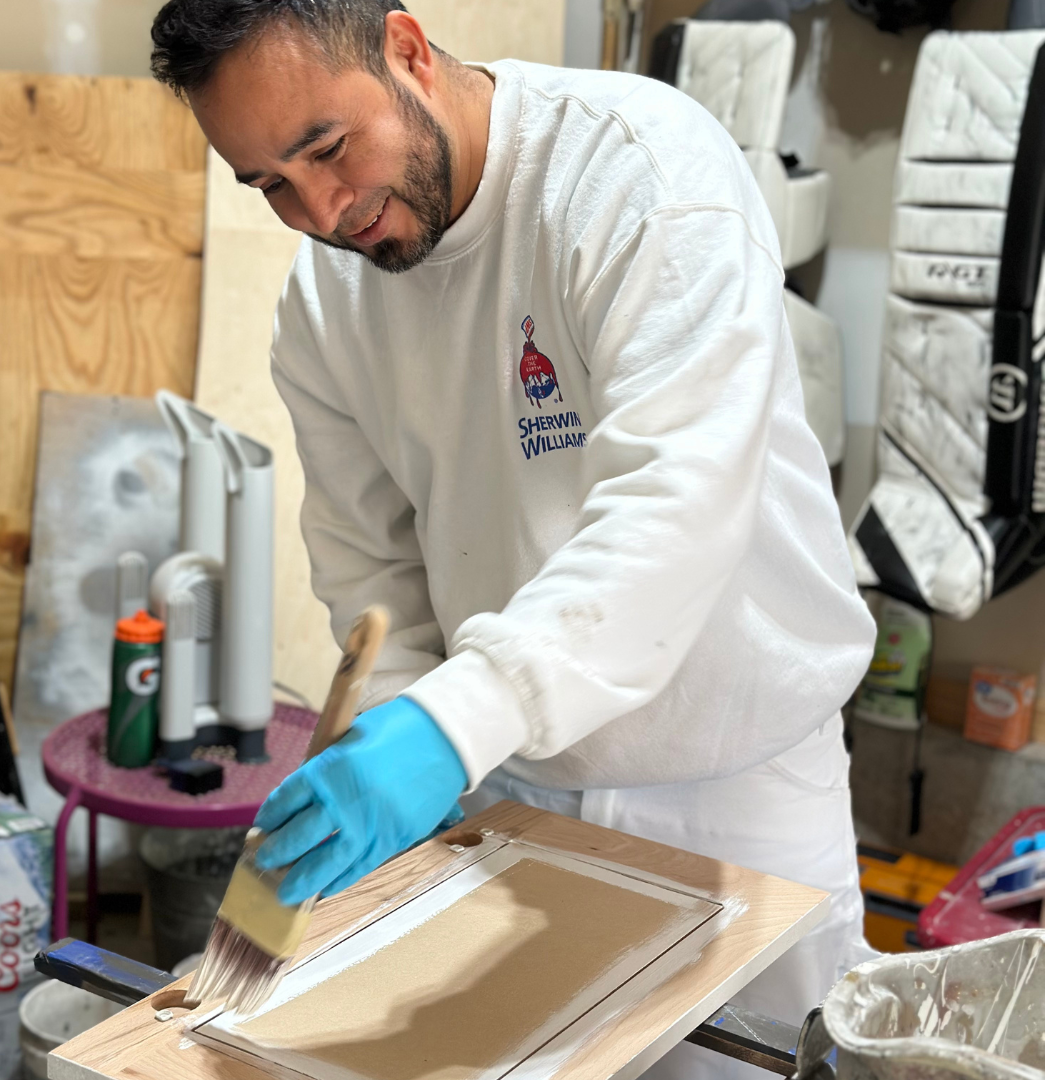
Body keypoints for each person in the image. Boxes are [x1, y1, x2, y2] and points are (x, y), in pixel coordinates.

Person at [150, 2, 877, 1074]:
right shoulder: (324, 306)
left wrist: (448, 726)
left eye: (327, 149)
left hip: (734, 785)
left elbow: (674, 511)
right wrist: (401, 727)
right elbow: (375, 568)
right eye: (270, 185)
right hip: (513, 789)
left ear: (405, 48)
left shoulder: (636, 173)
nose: (321, 210)